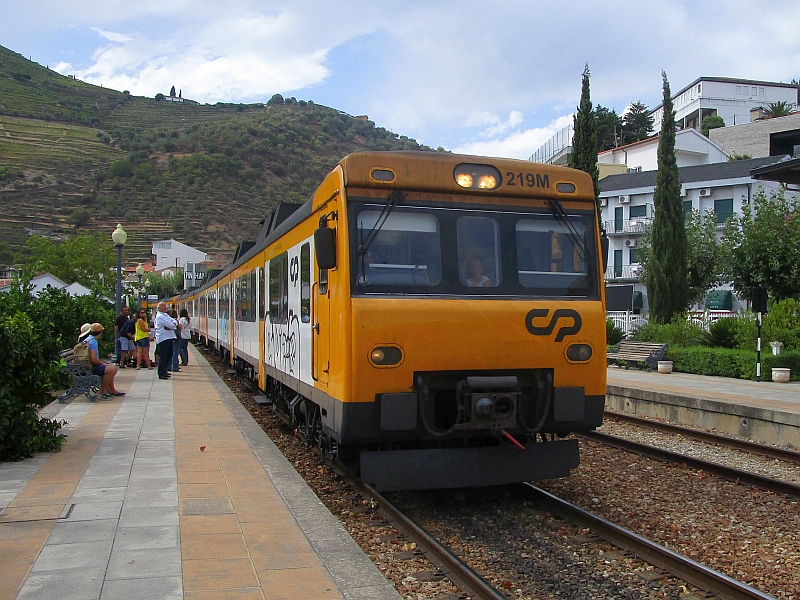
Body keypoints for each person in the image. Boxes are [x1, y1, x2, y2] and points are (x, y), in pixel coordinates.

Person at [80, 323, 124, 398]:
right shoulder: (93, 341)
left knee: (111, 368)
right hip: (90, 367)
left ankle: (112, 390)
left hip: (84, 366)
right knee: (111, 370)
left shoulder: (88, 339)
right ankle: (102, 392)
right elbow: (93, 359)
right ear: (100, 332)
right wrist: (103, 364)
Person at [154, 302, 178, 380]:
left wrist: (173, 324)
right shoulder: (160, 316)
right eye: (163, 307)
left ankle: (164, 371)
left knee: (168, 356)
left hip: (169, 338)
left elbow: (174, 322)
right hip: (163, 338)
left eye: (165, 307)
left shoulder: (165, 315)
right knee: (163, 357)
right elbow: (171, 325)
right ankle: (161, 373)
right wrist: (173, 325)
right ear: (159, 308)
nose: (164, 308)